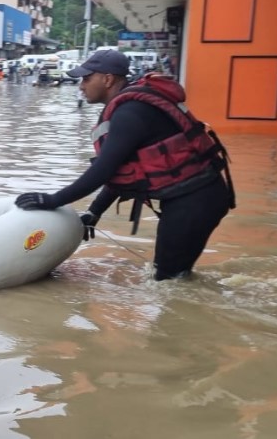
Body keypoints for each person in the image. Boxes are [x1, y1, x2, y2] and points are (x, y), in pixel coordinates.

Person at [14, 50, 235, 281]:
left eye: (87, 79)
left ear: (107, 80)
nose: (81, 86)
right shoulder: (131, 107)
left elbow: (104, 169)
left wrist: (54, 200)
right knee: (175, 277)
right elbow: (124, 171)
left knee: (167, 282)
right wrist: (94, 212)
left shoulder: (130, 113)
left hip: (194, 202)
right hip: (199, 197)